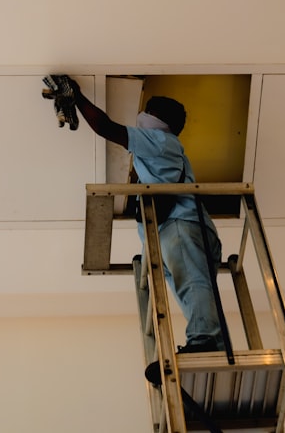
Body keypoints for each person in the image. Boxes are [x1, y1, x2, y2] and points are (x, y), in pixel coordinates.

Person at [46, 75, 224, 353]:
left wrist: (76, 96)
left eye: (148, 111)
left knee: (191, 284)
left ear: (158, 119)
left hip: (180, 225)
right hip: (180, 230)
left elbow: (106, 128)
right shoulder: (164, 149)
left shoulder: (159, 140)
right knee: (191, 288)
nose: (142, 115)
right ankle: (212, 343)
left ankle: (205, 341)